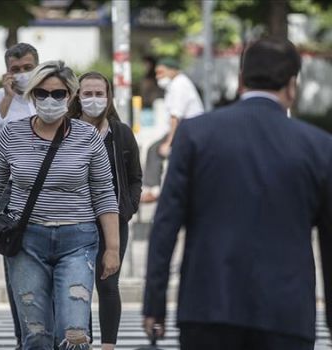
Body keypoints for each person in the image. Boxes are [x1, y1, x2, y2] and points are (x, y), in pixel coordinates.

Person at [142, 37, 332, 350]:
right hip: (286, 313)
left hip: (208, 306)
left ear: (241, 79)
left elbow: (166, 223)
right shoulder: (319, 146)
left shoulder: (196, 134)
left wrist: (155, 302)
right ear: (292, 84)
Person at [0, 60, 120, 350]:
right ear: (32, 96)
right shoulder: (12, 134)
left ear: (70, 97)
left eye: (58, 94)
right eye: (42, 93)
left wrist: (113, 249)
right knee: (37, 334)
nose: (49, 100)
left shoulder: (88, 137)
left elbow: (105, 194)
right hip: (26, 242)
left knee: (75, 334)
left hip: (78, 242)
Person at [66, 72, 143, 350]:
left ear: (109, 97)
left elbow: (135, 176)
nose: (94, 99)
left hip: (113, 222)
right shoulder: (67, 129)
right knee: (77, 286)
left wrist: (129, 207)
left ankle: (108, 346)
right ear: (77, 96)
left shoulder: (120, 133)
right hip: (76, 221)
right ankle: (80, 342)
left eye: (100, 94)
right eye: (88, 94)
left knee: (108, 285)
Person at [0, 42, 39, 348]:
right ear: (7, 72)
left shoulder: (50, 97)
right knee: (15, 260)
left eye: (29, 68)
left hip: (49, 188)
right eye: (17, 70)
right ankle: (21, 337)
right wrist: (7, 99)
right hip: (9, 187)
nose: (23, 74)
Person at [140, 57, 204, 203]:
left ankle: (153, 190)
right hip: (188, 129)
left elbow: (176, 116)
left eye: (161, 72)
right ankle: (153, 188)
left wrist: (168, 142)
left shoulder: (178, 85)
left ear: (173, 70)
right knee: (155, 149)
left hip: (189, 130)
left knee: (156, 150)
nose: (158, 77)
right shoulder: (178, 84)